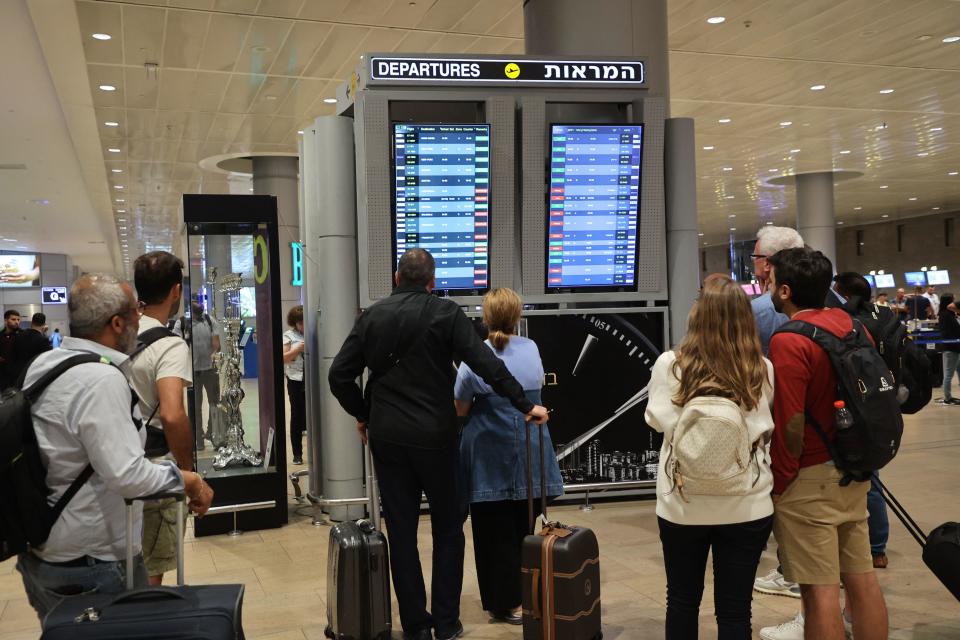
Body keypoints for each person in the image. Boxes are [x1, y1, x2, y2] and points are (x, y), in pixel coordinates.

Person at [329, 249, 549, 640]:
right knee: (449, 529)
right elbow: (487, 365)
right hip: (436, 436)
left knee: (401, 530)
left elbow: (338, 375)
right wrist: (525, 403)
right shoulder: (445, 314)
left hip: (389, 436)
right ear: (432, 282)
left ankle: (415, 626)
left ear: (397, 279)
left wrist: (364, 413)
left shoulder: (371, 317)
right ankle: (446, 622)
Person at [15, 273, 213, 620]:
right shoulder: (100, 380)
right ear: (117, 323)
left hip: (43, 552)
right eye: (134, 313)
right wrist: (188, 480)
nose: (140, 318)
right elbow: (127, 476)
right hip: (93, 562)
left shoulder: (44, 365)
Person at [761, 248, 888, 640]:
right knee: (861, 578)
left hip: (810, 478)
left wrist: (780, 482)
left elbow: (791, 421)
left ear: (784, 290)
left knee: (820, 593)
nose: (766, 288)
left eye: (769, 282)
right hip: (854, 467)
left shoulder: (789, 340)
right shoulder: (852, 325)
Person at [645, 274, 775, 639]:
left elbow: (656, 420)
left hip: (682, 504)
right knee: (736, 611)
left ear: (697, 315)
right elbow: (764, 427)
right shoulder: (760, 368)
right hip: (748, 504)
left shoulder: (671, 364)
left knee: (682, 601)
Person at [454, 288, 563, 626]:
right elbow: (535, 389)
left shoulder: (477, 354)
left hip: (488, 450)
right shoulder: (531, 348)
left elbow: (461, 405)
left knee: (490, 531)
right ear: (518, 317)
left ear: (485, 318)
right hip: (530, 447)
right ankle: (528, 596)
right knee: (524, 524)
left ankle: (504, 601)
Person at [127, 251, 194, 586]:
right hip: (154, 465)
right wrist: (187, 471)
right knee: (153, 569)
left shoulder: (118, 333)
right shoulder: (169, 345)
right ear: (175, 292)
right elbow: (172, 413)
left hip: (117, 462)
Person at [832, 273, 891, 569]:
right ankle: (878, 547)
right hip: (880, 406)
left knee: (859, 482)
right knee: (873, 481)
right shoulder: (879, 317)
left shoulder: (848, 322)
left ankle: (859, 550)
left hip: (854, 410)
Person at [750, 226, 805, 355]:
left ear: (767, 263)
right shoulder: (831, 297)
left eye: (755, 256)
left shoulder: (755, 310)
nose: (753, 261)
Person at [175, 301, 221, 450]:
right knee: (196, 406)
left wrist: (214, 354)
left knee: (214, 403)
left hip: (209, 370)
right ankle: (198, 439)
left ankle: (213, 434)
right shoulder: (181, 324)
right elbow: (177, 345)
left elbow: (216, 343)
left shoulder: (209, 320)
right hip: (192, 372)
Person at [283, 305, 306, 465]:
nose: (303, 326)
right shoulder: (289, 336)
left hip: (312, 380)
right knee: (296, 416)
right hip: (296, 381)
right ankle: (297, 453)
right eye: (300, 323)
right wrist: (297, 349)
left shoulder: (313, 332)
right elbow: (284, 358)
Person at [12, 312, 52, 381]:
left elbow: (13, 354)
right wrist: (43, 333)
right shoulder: (43, 340)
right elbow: (48, 359)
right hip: (34, 374)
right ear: (44, 324)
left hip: (18, 373)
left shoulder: (19, 335)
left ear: (32, 322)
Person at [938, 293, 960, 405]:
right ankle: (947, 398)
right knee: (948, 374)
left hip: (955, 348)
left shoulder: (949, 314)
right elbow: (953, 331)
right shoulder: (946, 315)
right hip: (950, 348)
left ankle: (949, 396)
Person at [0, 309, 22, 389]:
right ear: (6, 320)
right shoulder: (1, 335)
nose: (17, 322)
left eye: (18, 319)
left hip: (18, 375)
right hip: (2, 375)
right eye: (13, 319)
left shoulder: (23, 335)